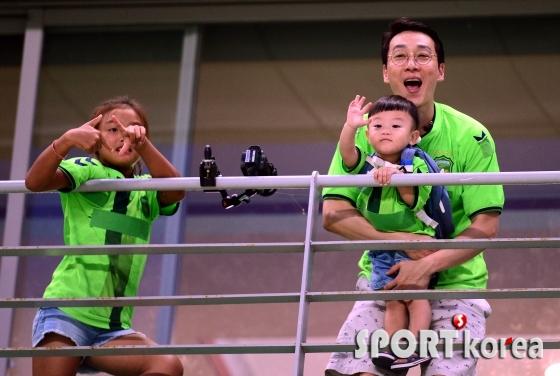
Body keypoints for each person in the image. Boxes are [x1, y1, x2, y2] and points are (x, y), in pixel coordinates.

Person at [324, 17, 504, 376]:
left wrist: (424, 266)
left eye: (423, 57)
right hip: (384, 280)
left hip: (456, 285)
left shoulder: (472, 136)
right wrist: (402, 242)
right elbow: (332, 213)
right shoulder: (364, 132)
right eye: (400, 56)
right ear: (385, 72)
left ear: (440, 71)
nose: (411, 64)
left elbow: (485, 225)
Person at [25, 96, 186, 376]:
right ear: (95, 137)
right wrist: (66, 140)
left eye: (135, 129)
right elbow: (34, 183)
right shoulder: (88, 170)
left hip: (114, 329)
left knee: (167, 364)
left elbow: (176, 191)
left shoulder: (147, 189)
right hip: (67, 314)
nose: (125, 134)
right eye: (113, 129)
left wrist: (144, 144)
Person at [340, 94, 436, 371]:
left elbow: (411, 199)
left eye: (396, 126)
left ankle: (418, 347)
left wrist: (397, 177)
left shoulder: (415, 161)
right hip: (380, 248)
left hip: (415, 245)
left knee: (415, 297)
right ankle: (395, 350)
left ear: (413, 136)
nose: (386, 131)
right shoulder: (366, 162)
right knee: (393, 300)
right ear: (368, 134)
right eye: (378, 126)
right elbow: (347, 155)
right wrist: (351, 126)